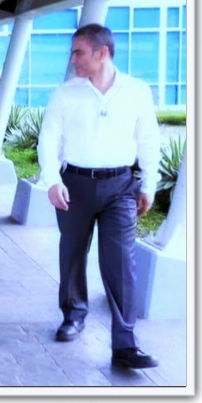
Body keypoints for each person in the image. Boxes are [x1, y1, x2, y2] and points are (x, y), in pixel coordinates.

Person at [37, 23, 161, 369]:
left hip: (120, 187)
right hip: (74, 184)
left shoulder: (137, 91)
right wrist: (52, 181)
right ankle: (73, 314)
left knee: (121, 262)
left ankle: (125, 342)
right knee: (73, 253)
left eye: (78, 52)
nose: (72, 59)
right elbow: (48, 139)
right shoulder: (64, 94)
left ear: (102, 53)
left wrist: (149, 185)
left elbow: (149, 139)